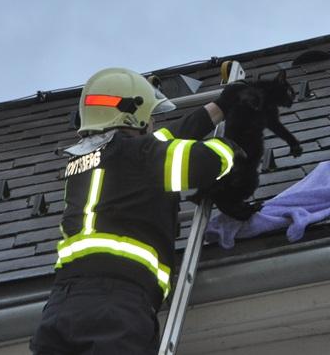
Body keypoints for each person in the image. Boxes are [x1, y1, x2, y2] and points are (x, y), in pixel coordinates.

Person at [30, 67, 245, 355]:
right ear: (134, 116)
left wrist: (219, 108)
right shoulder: (138, 156)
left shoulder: (83, 161)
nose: (153, 123)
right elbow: (201, 163)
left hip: (61, 306)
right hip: (117, 305)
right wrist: (228, 148)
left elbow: (160, 142)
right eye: (150, 117)